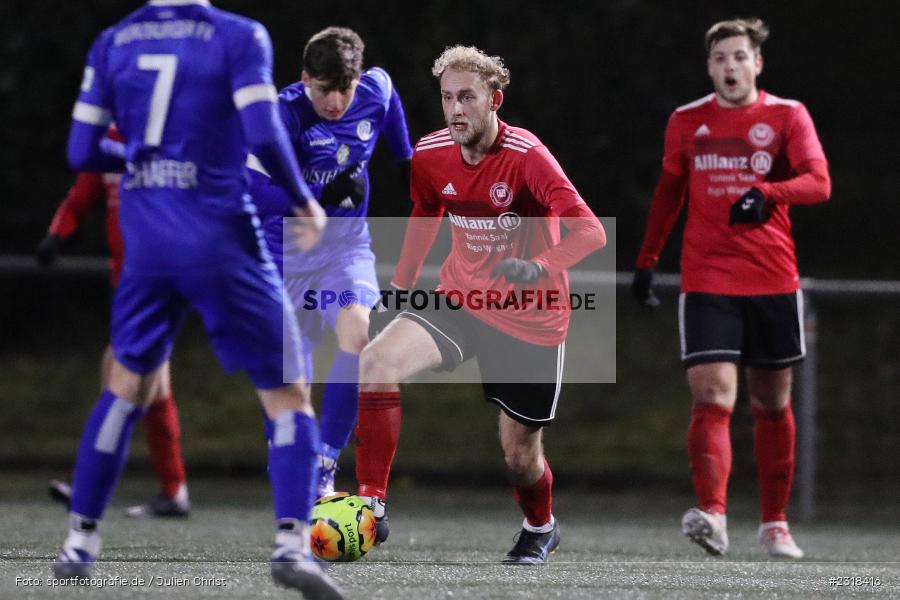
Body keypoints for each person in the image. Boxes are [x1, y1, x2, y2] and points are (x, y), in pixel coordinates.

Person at [52, 2, 343, 597]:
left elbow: (82, 152)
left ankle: (80, 542)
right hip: (219, 234)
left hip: (146, 238)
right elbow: (261, 130)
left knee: (125, 384)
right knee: (289, 389)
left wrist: (132, 158)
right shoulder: (238, 35)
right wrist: (304, 201)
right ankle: (291, 543)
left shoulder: (114, 39)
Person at [352, 45, 606, 564]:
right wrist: (400, 285)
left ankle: (540, 525)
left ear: (494, 99)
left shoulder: (528, 157)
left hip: (531, 317)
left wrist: (539, 266)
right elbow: (425, 210)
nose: (455, 110)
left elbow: (590, 230)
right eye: (447, 98)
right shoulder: (430, 153)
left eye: (467, 97)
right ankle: (371, 504)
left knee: (519, 456)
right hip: (461, 299)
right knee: (375, 361)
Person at [632, 18, 831, 559]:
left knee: (771, 402)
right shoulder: (686, 121)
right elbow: (669, 193)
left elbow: (819, 182)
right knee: (713, 394)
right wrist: (647, 261)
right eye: (720, 58)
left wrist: (768, 192)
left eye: (740, 57)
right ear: (709, 67)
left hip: (772, 278)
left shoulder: (788, 115)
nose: (730, 67)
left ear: (757, 64)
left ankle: (774, 523)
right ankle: (714, 516)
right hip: (707, 279)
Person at [247, 27, 413, 498]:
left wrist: (405, 159)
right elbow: (255, 193)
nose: (336, 102)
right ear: (305, 80)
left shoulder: (373, 89)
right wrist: (320, 195)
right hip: (283, 255)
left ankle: (325, 460)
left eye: (346, 88)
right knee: (288, 387)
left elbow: (390, 97)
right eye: (324, 90)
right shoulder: (282, 115)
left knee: (359, 339)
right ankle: (295, 479)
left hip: (344, 247)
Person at [38, 130, 191, 518]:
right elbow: (83, 193)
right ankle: (173, 491)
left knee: (120, 372)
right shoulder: (109, 142)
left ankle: (89, 487)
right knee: (153, 386)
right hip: (127, 283)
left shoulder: (168, 135)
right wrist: (57, 235)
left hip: (160, 278)